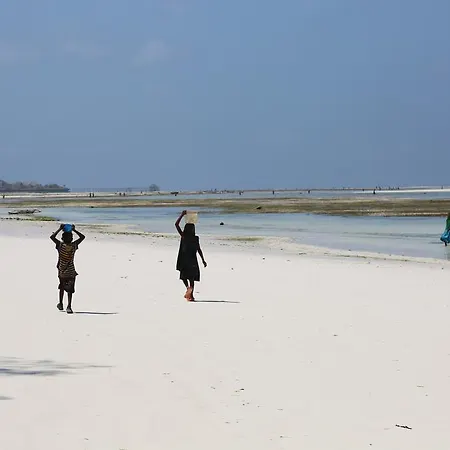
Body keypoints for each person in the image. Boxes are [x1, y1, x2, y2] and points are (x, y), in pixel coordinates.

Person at [50, 224, 85, 313]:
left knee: (62, 286)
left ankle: (61, 303)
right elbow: (82, 237)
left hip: (62, 270)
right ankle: (69, 306)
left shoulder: (60, 245)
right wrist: (74, 230)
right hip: (71, 270)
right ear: (72, 239)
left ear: (62, 238)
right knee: (70, 289)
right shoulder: (73, 246)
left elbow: (52, 237)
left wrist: (59, 229)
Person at [175, 211, 207, 301]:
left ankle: (188, 288)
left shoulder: (184, 236)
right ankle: (191, 295)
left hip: (184, 258)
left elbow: (176, 225)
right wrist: (203, 260)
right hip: (193, 259)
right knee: (191, 278)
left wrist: (181, 215)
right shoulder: (195, 238)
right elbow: (199, 249)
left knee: (184, 276)